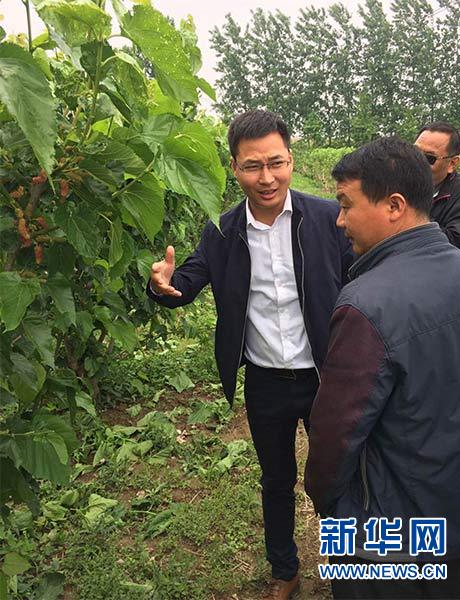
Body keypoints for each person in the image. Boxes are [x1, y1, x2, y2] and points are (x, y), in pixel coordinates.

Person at [147, 110, 354, 599]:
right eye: (253, 166)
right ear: (234, 168)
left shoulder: (326, 218)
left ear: (291, 160)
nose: (267, 178)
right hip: (265, 381)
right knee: (276, 480)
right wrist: (162, 286)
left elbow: (362, 276)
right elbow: (186, 281)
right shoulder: (222, 231)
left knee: (337, 479)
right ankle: (285, 570)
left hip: (326, 376)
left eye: (276, 163)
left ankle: (347, 566)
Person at [304, 136, 460, 599]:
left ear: (394, 205)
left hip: (388, 544)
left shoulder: (366, 305)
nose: (339, 220)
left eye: (346, 205)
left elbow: (336, 434)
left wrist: (326, 500)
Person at [414, 121, 460, 255]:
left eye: (429, 158)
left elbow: (456, 244)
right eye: (415, 153)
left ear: (452, 163)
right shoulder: (397, 183)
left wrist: (410, 215)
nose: (417, 162)